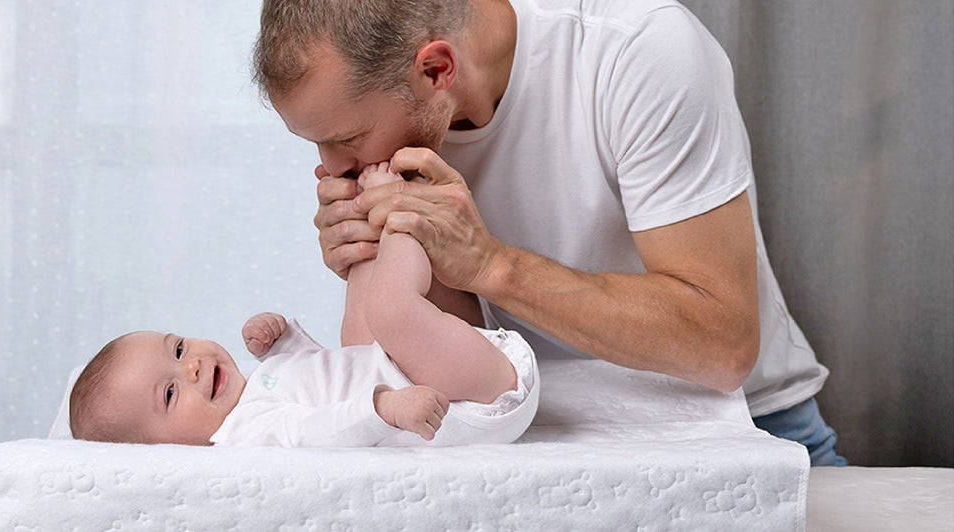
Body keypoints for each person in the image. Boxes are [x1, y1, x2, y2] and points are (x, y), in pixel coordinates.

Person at [252, 0, 846, 465]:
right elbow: (456, 358)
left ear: (436, 69)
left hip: (744, 426)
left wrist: (490, 265)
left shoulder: (636, 50)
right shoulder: (399, 133)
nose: (333, 169)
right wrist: (379, 260)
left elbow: (722, 347)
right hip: (529, 433)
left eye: (348, 138)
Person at [68, 164, 539, 447]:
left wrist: (283, 342)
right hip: (465, 402)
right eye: (170, 393)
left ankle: (369, 234)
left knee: (355, 339)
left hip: (437, 371)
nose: (190, 367)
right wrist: (384, 409)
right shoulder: (245, 434)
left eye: (177, 349)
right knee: (387, 313)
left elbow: (321, 374)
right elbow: (319, 428)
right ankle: (400, 214)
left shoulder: (255, 390)